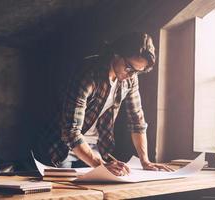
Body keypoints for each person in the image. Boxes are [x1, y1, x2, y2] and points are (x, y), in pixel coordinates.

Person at [34, 32, 174, 176]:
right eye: (129, 67)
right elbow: (71, 132)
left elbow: (137, 121)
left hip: (94, 148)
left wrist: (145, 161)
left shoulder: (130, 79)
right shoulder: (88, 73)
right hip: (61, 148)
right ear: (117, 53)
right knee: (64, 195)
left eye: (138, 72)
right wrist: (101, 166)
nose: (131, 75)